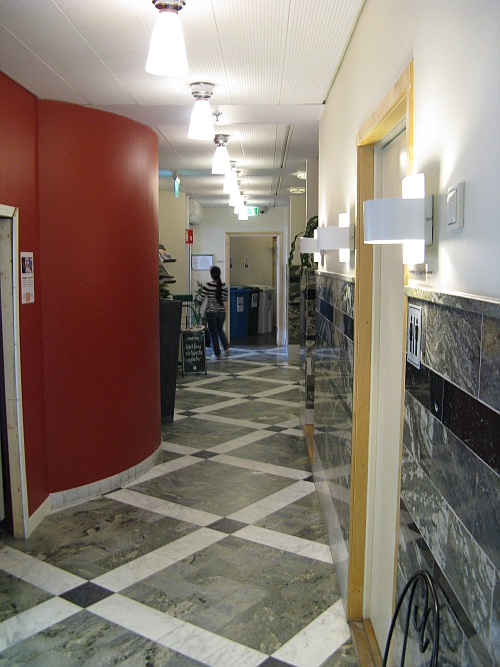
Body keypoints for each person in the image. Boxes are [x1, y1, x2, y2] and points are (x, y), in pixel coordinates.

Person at [201, 266, 230, 360]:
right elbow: (225, 299)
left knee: (213, 332)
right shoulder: (224, 286)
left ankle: (217, 353)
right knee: (220, 329)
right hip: (222, 312)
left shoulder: (207, 285)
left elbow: (200, 297)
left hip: (211, 312)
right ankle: (226, 346)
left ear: (211, 275)